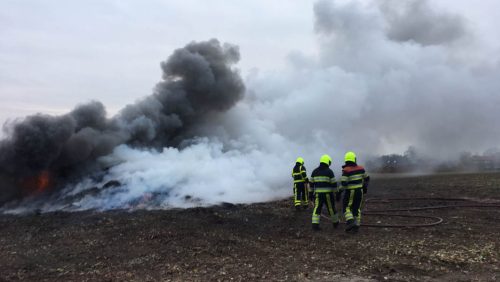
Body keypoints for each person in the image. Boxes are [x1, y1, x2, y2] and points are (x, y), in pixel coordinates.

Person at [340, 151, 370, 233]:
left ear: (346, 160)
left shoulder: (346, 170)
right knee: (356, 208)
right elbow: (367, 178)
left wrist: (339, 191)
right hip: (359, 191)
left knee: (346, 208)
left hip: (351, 192)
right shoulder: (361, 168)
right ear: (354, 159)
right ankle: (356, 226)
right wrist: (365, 187)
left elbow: (343, 183)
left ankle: (350, 222)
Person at [310, 154, 340, 231]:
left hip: (318, 195)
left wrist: (310, 194)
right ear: (328, 162)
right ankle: (336, 223)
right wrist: (337, 193)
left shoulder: (314, 171)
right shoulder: (329, 172)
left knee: (317, 209)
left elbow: (311, 184)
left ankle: (315, 225)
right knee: (331, 208)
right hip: (328, 195)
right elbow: (334, 184)